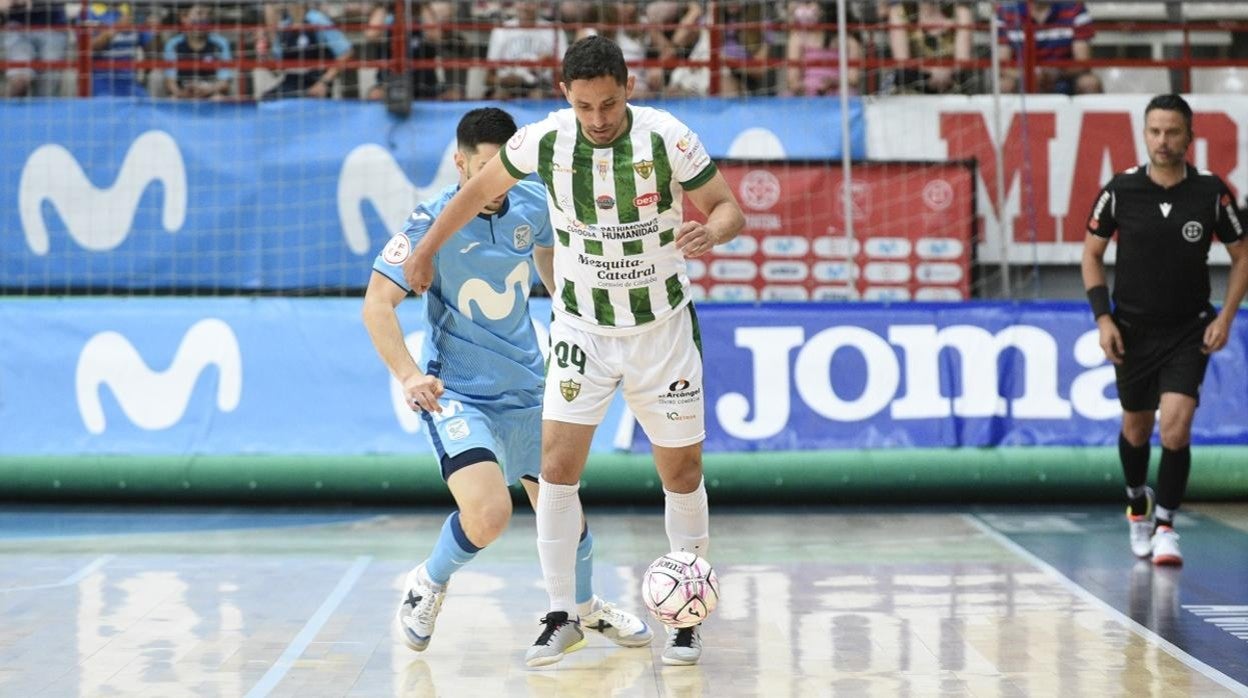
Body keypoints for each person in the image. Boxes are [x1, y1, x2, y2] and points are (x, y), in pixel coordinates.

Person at [401, 36, 745, 667]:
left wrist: (710, 230)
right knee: (555, 471)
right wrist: (424, 252)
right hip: (581, 332)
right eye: (585, 106)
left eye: (609, 104)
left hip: (660, 331)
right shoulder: (543, 141)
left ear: (629, 88)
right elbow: (473, 194)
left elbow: (728, 208)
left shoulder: (668, 137)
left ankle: (686, 619)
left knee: (682, 474)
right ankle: (563, 614)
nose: (598, 119)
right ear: (566, 96)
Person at [362, 107, 652, 657]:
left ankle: (584, 612)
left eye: (507, 171)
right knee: (490, 514)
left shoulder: (531, 199)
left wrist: (570, 311)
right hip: (460, 394)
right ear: (460, 163)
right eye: (486, 170)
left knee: (566, 515)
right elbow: (377, 305)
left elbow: (546, 243)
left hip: (529, 386)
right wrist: (407, 374)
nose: (497, 185)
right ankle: (427, 582)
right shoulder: (432, 222)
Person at [1082, 94, 1248, 567]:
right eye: (1155, 131)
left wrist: (1226, 317)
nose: (1163, 140)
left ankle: (1168, 525)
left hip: (1187, 331)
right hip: (1132, 331)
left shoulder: (1211, 192)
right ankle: (1138, 502)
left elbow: (1242, 257)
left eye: (1172, 131)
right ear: (1145, 133)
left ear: (1189, 137)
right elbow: (1090, 255)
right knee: (1136, 429)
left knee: (1176, 428)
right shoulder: (1120, 190)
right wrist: (1103, 318)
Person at [996, 1, 1102, 95]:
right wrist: (1028, 75)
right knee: (1004, 85)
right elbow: (1003, 65)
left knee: (1089, 83)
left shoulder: (1075, 8)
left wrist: (1057, 74)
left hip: (1065, 76)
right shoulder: (1005, 11)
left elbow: (1082, 62)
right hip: (1022, 76)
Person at [259, 3, 352, 100]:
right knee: (266, 99)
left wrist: (324, 82)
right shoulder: (284, 25)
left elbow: (346, 52)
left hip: (314, 81)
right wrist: (264, 56)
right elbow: (277, 70)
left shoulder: (317, 19)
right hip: (290, 82)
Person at [885, 0, 973, 95]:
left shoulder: (961, 13)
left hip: (951, 89)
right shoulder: (899, 12)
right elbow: (902, 62)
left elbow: (963, 62)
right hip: (911, 89)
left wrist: (945, 71)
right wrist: (935, 71)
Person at [162, 3, 234, 100]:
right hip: (184, 94)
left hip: (211, 93)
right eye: (200, 13)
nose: (204, 18)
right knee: (172, 99)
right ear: (184, 18)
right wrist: (181, 93)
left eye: (208, 14)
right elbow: (170, 81)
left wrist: (208, 90)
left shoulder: (220, 43)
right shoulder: (173, 45)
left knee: (218, 98)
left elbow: (224, 82)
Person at [2, 0, 69, 97]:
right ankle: (8, 109)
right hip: (17, 28)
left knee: (47, 89)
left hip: (53, 27)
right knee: (19, 81)